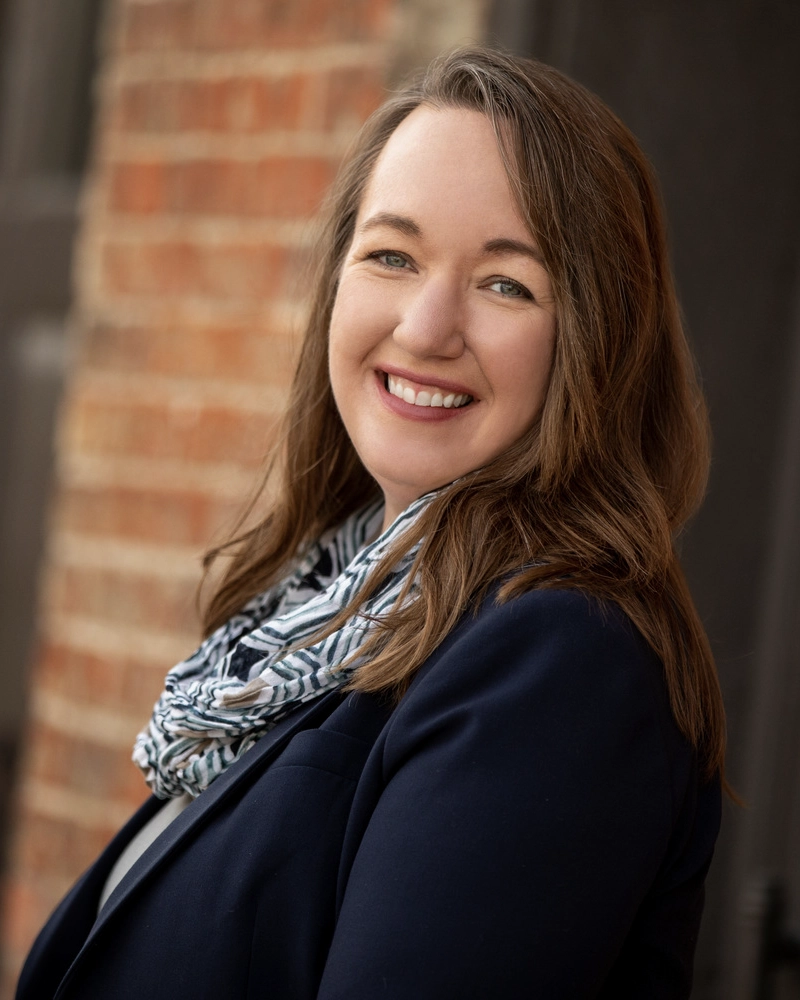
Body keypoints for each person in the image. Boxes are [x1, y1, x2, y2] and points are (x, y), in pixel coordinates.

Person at [17, 46, 725, 999]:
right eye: (392, 255)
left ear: (597, 341)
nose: (427, 326)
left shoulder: (558, 664)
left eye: (506, 282)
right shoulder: (323, 618)